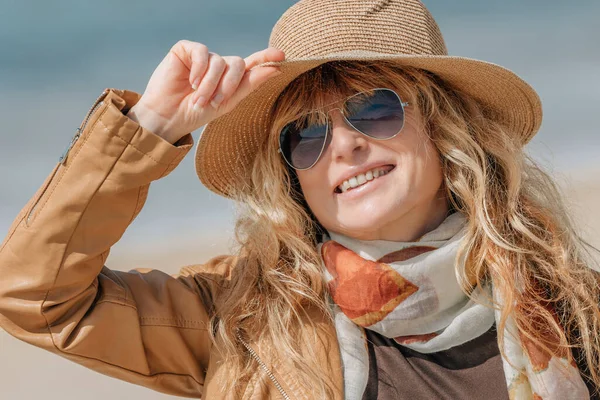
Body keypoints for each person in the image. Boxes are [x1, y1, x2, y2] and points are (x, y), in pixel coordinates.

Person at [0, 0, 599, 399]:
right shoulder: (245, 321)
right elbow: (35, 297)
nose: (343, 146)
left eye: (374, 108)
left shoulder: (578, 308)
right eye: (306, 135)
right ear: (294, 177)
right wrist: (151, 125)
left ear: (445, 130)